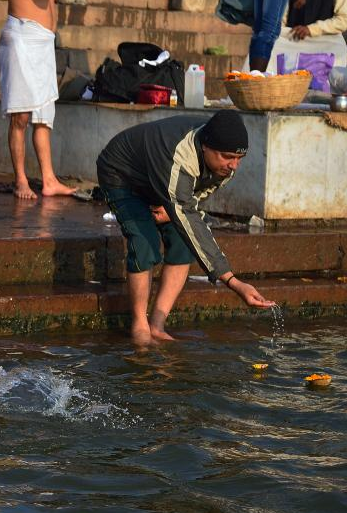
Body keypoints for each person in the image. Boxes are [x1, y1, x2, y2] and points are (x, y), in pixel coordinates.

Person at [96, 110, 277, 347]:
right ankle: (139, 324)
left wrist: (171, 207)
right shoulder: (181, 153)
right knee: (144, 241)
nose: (233, 166)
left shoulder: (225, 166)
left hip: (163, 182)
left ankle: (158, 324)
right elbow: (187, 214)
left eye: (238, 158)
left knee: (183, 243)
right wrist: (233, 281)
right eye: (227, 157)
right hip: (122, 175)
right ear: (205, 147)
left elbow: (194, 199)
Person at [0, 0, 99, 200]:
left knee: (44, 116)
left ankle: (49, 180)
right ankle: (20, 180)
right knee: (20, 116)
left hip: (42, 43)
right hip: (20, 41)